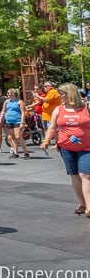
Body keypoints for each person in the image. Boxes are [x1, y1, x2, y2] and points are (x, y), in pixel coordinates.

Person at [41, 83, 90, 217]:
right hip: (66, 147)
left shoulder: (86, 107)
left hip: (87, 147)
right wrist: (46, 141)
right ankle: (82, 203)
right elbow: (52, 127)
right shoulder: (58, 110)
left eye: (62, 93)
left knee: (86, 175)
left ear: (71, 93)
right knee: (74, 174)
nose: (60, 96)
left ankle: (89, 207)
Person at [0, 89, 30, 160]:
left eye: (9, 93)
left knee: (18, 136)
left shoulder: (20, 102)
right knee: (12, 137)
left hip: (17, 121)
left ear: (13, 93)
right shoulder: (6, 102)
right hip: (9, 121)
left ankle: (26, 152)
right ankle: (16, 153)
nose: (8, 94)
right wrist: (0, 119)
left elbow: (23, 113)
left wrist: (22, 122)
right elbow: (3, 111)